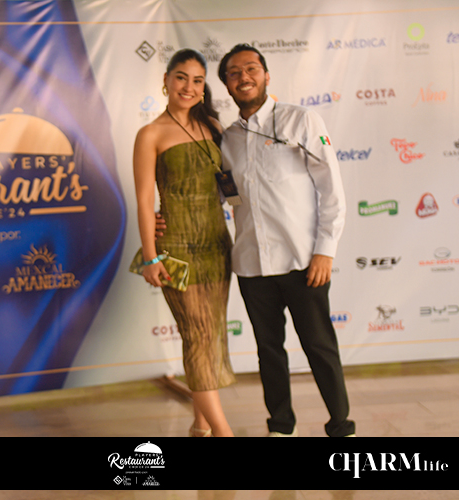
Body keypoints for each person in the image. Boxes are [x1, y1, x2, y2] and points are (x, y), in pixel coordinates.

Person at [217, 43, 356, 437]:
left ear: (266, 75)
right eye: (234, 73)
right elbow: (226, 196)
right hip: (251, 264)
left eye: (251, 69)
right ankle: (280, 425)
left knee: (319, 346)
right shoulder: (227, 140)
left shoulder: (302, 121)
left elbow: (331, 190)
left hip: (303, 261)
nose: (243, 77)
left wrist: (325, 251)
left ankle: (341, 425)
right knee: (269, 351)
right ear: (227, 84)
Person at [133, 48, 235, 437]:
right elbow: (144, 200)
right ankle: (223, 432)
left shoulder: (213, 126)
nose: (188, 87)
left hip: (217, 244)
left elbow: (231, 186)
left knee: (211, 336)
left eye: (197, 80)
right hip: (175, 247)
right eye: (181, 77)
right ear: (166, 80)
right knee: (197, 336)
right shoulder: (150, 134)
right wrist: (150, 256)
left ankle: (200, 425)